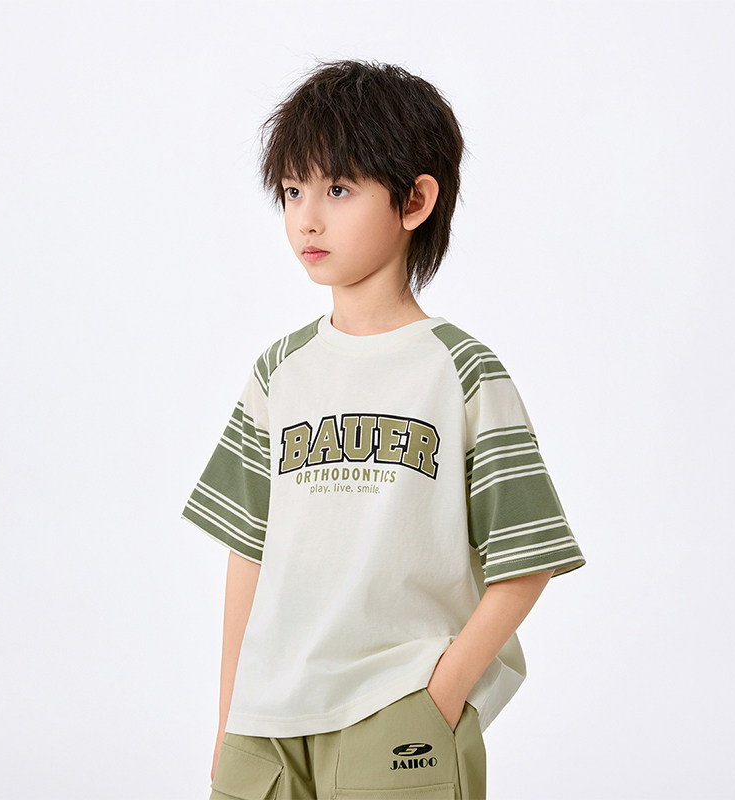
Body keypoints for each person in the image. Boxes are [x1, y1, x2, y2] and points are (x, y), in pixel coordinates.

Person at [181, 57, 587, 800]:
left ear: (415, 201)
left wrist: (441, 694)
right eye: (293, 190)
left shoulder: (461, 371)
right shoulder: (279, 371)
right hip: (266, 722)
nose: (307, 217)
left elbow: (527, 559)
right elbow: (247, 551)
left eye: (338, 189)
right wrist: (228, 714)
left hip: (399, 710)